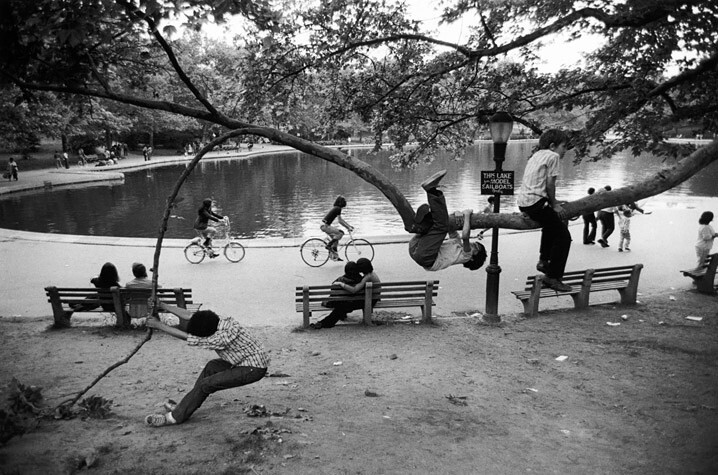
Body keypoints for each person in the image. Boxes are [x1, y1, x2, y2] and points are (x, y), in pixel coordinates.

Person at [144, 304, 269, 427]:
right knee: (212, 366)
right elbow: (189, 315)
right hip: (244, 361)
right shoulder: (219, 320)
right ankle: (185, 406)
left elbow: (186, 337)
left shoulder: (220, 338)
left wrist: (159, 325)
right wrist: (161, 304)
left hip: (253, 369)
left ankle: (174, 417)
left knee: (206, 384)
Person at [516, 129, 573, 292]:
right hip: (536, 202)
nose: (565, 151)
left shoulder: (536, 155)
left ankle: (543, 261)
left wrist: (554, 202)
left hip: (525, 202)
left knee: (551, 224)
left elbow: (537, 183)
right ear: (553, 146)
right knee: (564, 237)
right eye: (564, 147)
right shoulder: (553, 156)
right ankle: (553, 277)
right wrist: (555, 205)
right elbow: (549, 184)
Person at [408, 170, 487, 272]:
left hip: (426, 257)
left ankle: (432, 192)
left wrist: (467, 215)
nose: (472, 244)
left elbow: (465, 236)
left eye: (475, 247)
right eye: (475, 243)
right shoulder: (456, 242)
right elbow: (450, 226)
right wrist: (457, 214)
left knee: (441, 227)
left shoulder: (466, 256)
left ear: (473, 257)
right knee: (442, 223)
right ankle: (425, 220)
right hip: (417, 248)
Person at [61, 262, 126, 325]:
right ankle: (79, 304)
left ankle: (79, 303)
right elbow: (124, 292)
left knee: (94, 295)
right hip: (114, 306)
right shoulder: (115, 285)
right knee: (94, 296)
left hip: (104, 305)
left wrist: (98, 276)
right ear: (114, 273)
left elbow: (92, 279)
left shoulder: (98, 282)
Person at [310, 261, 363, 329]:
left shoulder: (341, 279)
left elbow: (333, 290)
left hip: (344, 303)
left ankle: (323, 323)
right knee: (343, 305)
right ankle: (327, 322)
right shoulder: (361, 280)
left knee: (340, 304)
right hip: (355, 303)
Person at [321, 195, 353, 262]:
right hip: (325, 227)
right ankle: (329, 245)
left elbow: (341, 220)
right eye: (344, 201)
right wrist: (348, 227)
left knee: (336, 240)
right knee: (340, 233)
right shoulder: (338, 208)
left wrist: (349, 226)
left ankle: (335, 257)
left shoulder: (337, 208)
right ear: (341, 202)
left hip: (325, 226)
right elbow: (340, 221)